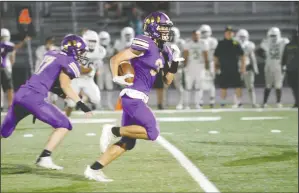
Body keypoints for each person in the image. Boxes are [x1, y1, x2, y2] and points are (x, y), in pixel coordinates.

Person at [83, 11, 184, 182]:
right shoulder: (145, 42)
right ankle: (111, 130)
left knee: (127, 142)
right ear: (153, 28)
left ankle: (93, 169)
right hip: (133, 96)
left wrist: (173, 62)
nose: (167, 31)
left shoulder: (164, 50)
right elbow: (116, 59)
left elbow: (168, 80)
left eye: (167, 28)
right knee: (152, 132)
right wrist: (116, 77)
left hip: (138, 98)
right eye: (163, 27)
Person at [1, 34, 93, 170]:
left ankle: (44, 158)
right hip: (34, 98)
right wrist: (82, 104)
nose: (82, 55)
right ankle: (44, 157)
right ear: (73, 50)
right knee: (64, 124)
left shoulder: (52, 54)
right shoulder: (67, 61)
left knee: (4, 131)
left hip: (21, 94)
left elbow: (48, 79)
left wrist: (60, 93)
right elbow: (65, 85)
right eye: (81, 52)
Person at [65, 30, 106, 116]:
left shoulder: (100, 51)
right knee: (71, 104)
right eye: (89, 41)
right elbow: (79, 68)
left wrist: (93, 67)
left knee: (96, 99)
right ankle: (65, 118)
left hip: (88, 80)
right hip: (76, 79)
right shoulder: (77, 50)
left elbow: (93, 68)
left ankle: (83, 98)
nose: (91, 43)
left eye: (93, 41)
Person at [214, 26, 245, 108]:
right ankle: (223, 102)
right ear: (225, 33)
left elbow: (242, 56)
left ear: (233, 34)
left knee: (237, 86)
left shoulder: (236, 43)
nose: (229, 34)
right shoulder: (221, 43)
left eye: (230, 32)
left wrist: (243, 66)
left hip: (234, 68)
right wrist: (215, 66)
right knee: (223, 86)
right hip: (224, 68)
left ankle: (239, 102)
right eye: (227, 32)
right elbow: (216, 56)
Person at [260, 27, 289, 108]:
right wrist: (264, 56)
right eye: (271, 35)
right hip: (269, 66)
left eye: (274, 35)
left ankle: (278, 102)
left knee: (278, 85)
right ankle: (265, 102)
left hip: (279, 66)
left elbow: (287, 52)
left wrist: (284, 64)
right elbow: (258, 51)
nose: (273, 37)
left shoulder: (283, 42)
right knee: (268, 85)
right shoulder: (266, 42)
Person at [0, 28, 29, 109]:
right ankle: (10, 105)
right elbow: (16, 47)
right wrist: (24, 41)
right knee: (9, 88)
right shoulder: (5, 45)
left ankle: (2, 105)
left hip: (4, 67)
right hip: (3, 68)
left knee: (3, 88)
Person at [183, 30, 209, 109]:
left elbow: (206, 56)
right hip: (190, 66)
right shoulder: (188, 43)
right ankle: (187, 104)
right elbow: (185, 55)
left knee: (199, 86)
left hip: (200, 67)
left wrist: (207, 68)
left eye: (197, 35)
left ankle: (197, 104)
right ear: (192, 35)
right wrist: (185, 66)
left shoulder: (203, 43)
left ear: (200, 35)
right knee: (188, 86)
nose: (196, 36)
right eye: (194, 35)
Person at [236, 29, 259, 108]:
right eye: (241, 36)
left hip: (247, 67)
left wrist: (255, 68)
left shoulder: (250, 45)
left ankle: (253, 103)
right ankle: (238, 103)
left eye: (243, 37)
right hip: (237, 67)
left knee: (250, 86)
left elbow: (252, 57)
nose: (242, 38)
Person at [35, 36, 59, 105]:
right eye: (49, 42)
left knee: (54, 95)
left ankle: (54, 109)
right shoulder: (40, 49)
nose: (50, 43)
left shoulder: (56, 49)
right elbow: (43, 59)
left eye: (52, 42)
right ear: (46, 42)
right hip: (42, 74)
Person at [198, 24, 218, 108]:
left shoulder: (213, 41)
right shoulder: (198, 41)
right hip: (201, 63)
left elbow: (216, 54)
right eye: (203, 32)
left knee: (211, 82)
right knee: (200, 83)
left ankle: (211, 100)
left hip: (211, 63)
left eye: (206, 32)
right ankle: (200, 100)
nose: (205, 33)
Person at [167, 27, 185, 110]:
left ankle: (180, 103)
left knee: (178, 85)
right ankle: (164, 103)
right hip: (167, 67)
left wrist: (182, 63)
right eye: (170, 34)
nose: (171, 36)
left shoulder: (181, 42)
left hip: (177, 66)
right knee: (165, 86)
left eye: (173, 34)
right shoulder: (165, 43)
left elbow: (184, 54)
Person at [98, 31, 116, 110]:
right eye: (102, 39)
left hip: (108, 67)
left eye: (105, 39)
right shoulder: (97, 47)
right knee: (100, 86)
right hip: (100, 67)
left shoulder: (111, 46)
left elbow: (112, 57)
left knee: (109, 85)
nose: (103, 40)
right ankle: (99, 103)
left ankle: (109, 102)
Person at [282, 29, 298, 108]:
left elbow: (284, 58)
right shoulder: (288, 45)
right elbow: (284, 57)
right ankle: (297, 102)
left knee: (295, 87)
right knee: (294, 87)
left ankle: (297, 102)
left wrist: (283, 65)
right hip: (291, 69)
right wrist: (283, 65)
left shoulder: (288, 45)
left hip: (293, 69)